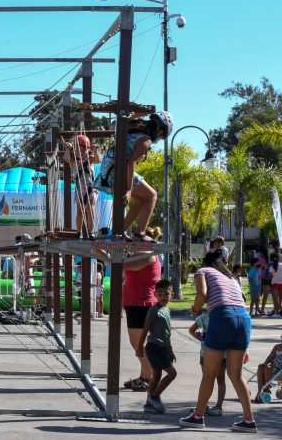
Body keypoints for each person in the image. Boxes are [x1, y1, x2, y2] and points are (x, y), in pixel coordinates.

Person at [180, 251, 256, 433]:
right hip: (243, 319)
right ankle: (248, 420)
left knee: (209, 373)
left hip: (222, 317)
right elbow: (238, 303)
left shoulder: (202, 271)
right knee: (236, 375)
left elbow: (202, 294)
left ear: (205, 263)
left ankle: (197, 417)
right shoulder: (229, 277)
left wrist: (196, 309)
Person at [94, 112, 173, 242]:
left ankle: (120, 231)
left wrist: (137, 113)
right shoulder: (145, 141)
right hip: (116, 171)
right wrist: (129, 190)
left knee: (139, 201)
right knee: (152, 195)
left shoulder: (135, 129)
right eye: (161, 135)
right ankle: (140, 233)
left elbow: (122, 120)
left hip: (108, 169)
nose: (158, 139)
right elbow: (130, 164)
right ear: (158, 130)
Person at [121, 227, 163, 391]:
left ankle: (150, 376)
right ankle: (145, 376)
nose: (133, 243)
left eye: (136, 241)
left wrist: (101, 253)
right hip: (137, 303)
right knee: (140, 343)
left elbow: (120, 264)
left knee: (138, 344)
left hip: (142, 304)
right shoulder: (144, 255)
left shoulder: (148, 256)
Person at [136, 280, 176, 414]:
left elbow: (167, 333)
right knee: (172, 373)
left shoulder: (166, 310)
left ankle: (149, 403)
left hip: (163, 348)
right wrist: (140, 347)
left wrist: (170, 350)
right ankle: (154, 396)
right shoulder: (154, 310)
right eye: (160, 294)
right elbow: (146, 328)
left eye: (166, 294)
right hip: (154, 347)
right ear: (155, 295)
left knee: (157, 375)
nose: (163, 297)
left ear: (172, 294)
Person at [188, 309, 227, 416]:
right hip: (218, 352)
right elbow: (192, 330)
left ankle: (214, 406)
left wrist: (201, 338)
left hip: (209, 352)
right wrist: (201, 338)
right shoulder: (223, 316)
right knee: (218, 379)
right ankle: (212, 406)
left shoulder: (205, 317)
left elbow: (191, 330)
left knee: (210, 379)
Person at [63, 134, 101, 237]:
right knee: (80, 211)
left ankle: (90, 232)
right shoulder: (73, 159)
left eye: (85, 147)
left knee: (90, 209)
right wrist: (68, 148)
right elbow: (66, 158)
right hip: (79, 188)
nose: (84, 149)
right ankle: (78, 232)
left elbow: (98, 159)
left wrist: (95, 149)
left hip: (90, 187)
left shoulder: (90, 157)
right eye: (82, 146)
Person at [253, 336, 282, 404]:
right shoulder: (277, 347)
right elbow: (269, 358)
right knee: (261, 367)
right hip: (275, 369)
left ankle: (266, 389)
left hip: (280, 371)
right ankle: (260, 391)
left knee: (268, 368)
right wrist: (265, 363)